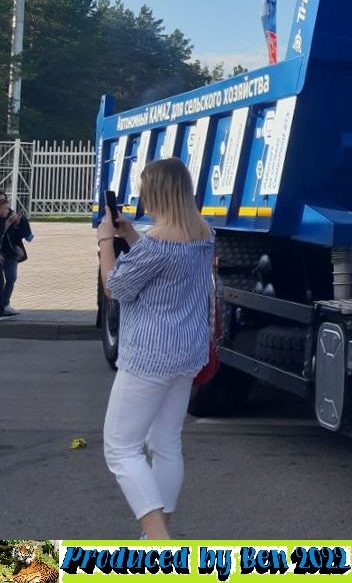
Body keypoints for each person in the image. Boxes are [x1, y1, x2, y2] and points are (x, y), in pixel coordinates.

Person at [96, 157, 214, 539]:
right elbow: (160, 264)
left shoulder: (160, 243)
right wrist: (130, 236)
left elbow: (116, 287)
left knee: (120, 448)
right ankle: (159, 534)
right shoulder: (203, 233)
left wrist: (105, 243)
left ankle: (160, 547)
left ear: (156, 192)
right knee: (165, 442)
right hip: (186, 354)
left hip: (149, 356)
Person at [0, 191, 33, 317]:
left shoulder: (12, 215)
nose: (4, 205)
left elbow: (27, 236)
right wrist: (7, 224)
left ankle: (5, 304)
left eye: (5, 202)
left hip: (11, 252)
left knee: (11, 277)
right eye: (1, 203)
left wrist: (19, 223)